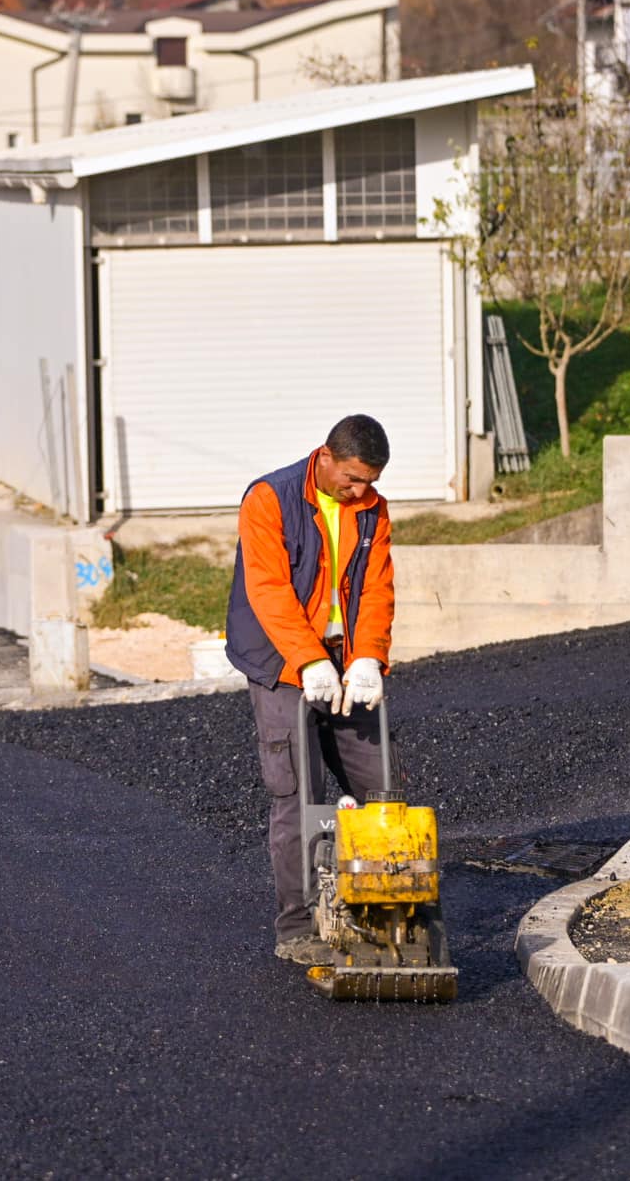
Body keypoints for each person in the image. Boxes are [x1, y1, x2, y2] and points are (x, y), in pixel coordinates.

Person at [223, 414, 396, 968]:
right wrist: (309, 661)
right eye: (352, 479)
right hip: (280, 661)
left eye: (369, 480)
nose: (361, 490)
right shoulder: (269, 499)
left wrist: (368, 655)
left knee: (382, 787)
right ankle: (297, 925)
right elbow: (269, 590)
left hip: (344, 656)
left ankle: (382, 910)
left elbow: (376, 586)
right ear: (325, 457)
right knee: (300, 793)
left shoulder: (372, 509)